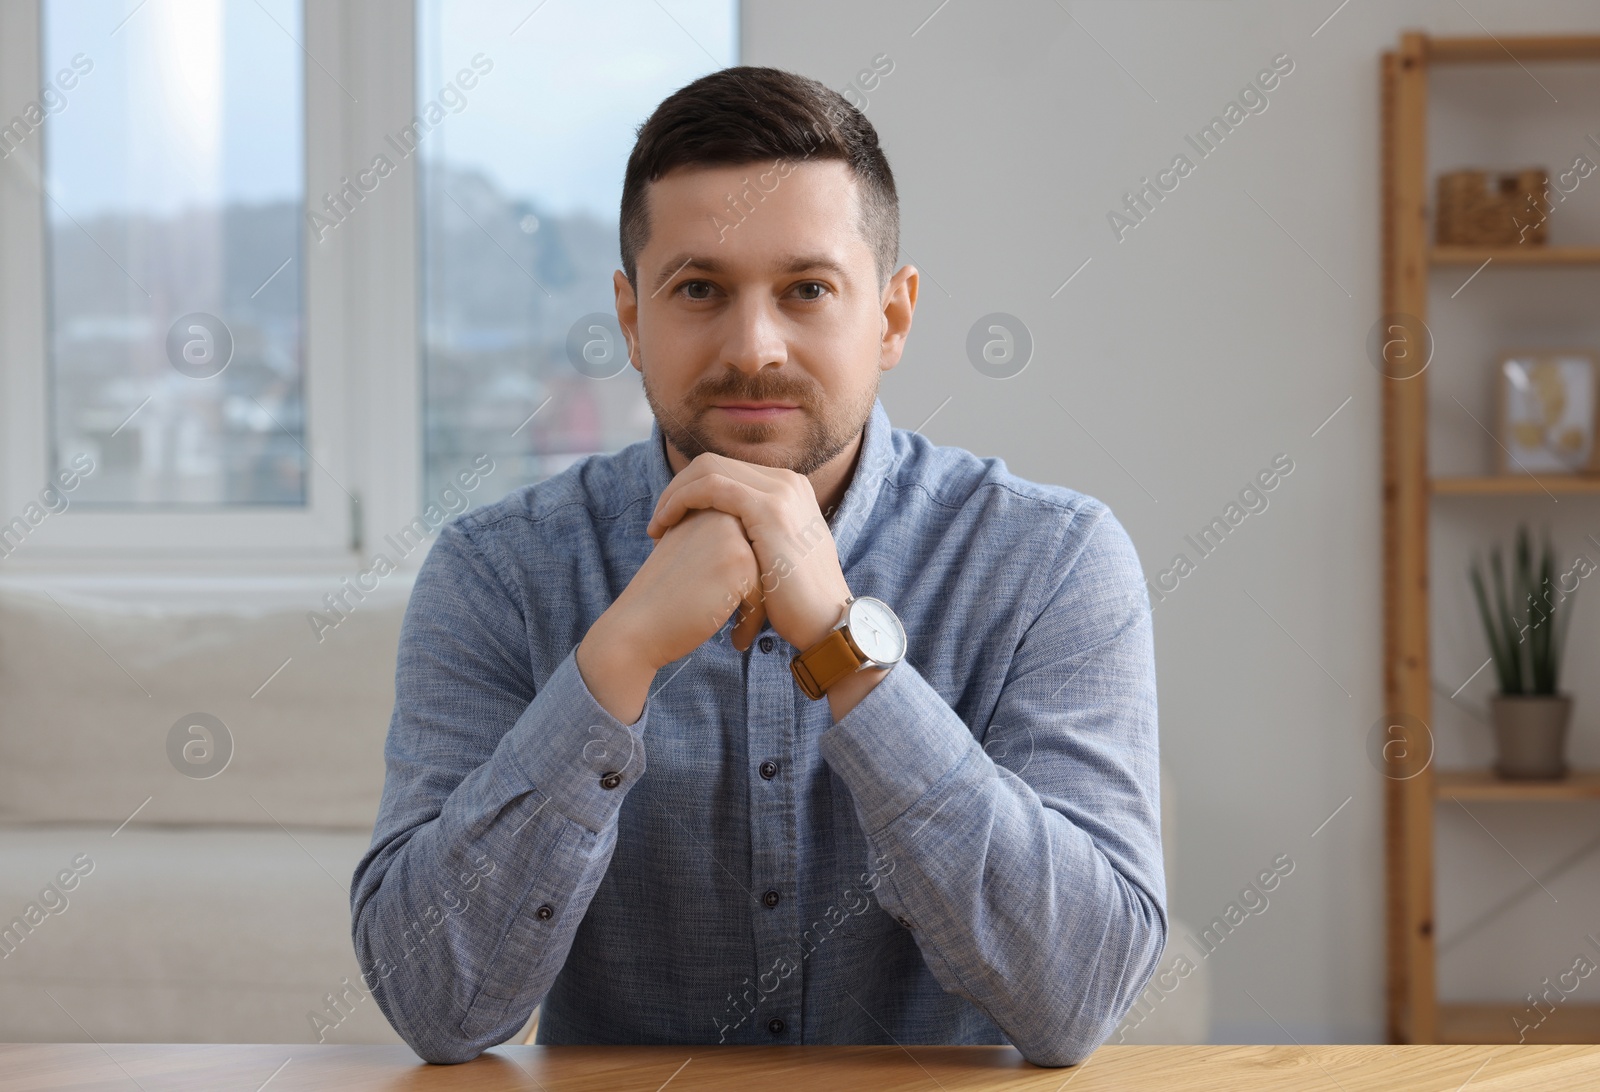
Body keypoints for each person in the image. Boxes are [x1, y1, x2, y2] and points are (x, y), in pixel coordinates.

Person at [351, 64, 1164, 1068]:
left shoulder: (1050, 561)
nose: (754, 346)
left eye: (807, 289)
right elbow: (434, 1007)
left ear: (891, 317)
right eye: (699, 289)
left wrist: (840, 644)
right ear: (631, 318)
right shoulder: (494, 572)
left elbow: (1074, 998)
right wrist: (614, 664)